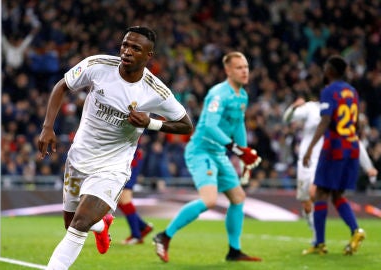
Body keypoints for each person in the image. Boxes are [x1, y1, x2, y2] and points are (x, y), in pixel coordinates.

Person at [37, 26, 193, 270]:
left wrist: (151, 123)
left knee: (78, 226)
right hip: (79, 158)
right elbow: (62, 86)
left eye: (135, 48)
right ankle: (101, 224)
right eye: (125, 45)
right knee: (71, 223)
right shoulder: (98, 66)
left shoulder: (155, 90)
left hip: (113, 166)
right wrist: (48, 127)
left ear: (148, 56)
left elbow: (186, 125)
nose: (127, 51)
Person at [153, 51, 262, 263]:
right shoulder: (218, 94)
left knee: (238, 198)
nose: (244, 71)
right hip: (201, 151)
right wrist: (237, 150)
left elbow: (238, 125)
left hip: (218, 153)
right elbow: (210, 126)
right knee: (210, 200)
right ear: (228, 70)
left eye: (246, 67)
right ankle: (164, 236)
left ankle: (234, 251)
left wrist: (244, 153)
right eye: (239, 67)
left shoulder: (242, 96)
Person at [283, 95, 378, 250]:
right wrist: (294, 107)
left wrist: (368, 166)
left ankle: (323, 240)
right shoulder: (312, 108)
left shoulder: (340, 115)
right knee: (307, 202)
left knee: (317, 194)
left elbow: (354, 140)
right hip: (306, 162)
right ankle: (320, 240)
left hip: (326, 161)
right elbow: (287, 119)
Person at [302, 55, 366, 255]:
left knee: (321, 192)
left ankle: (319, 243)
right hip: (352, 145)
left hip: (334, 147)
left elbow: (325, 120)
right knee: (337, 193)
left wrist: (311, 147)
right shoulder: (352, 92)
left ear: (330, 71)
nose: (323, 71)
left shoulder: (329, 91)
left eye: (325, 68)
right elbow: (356, 123)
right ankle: (356, 230)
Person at [118, 147, 154, 245]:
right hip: (122, 155)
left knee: (124, 197)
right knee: (118, 199)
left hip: (129, 156)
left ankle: (136, 235)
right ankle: (143, 227)